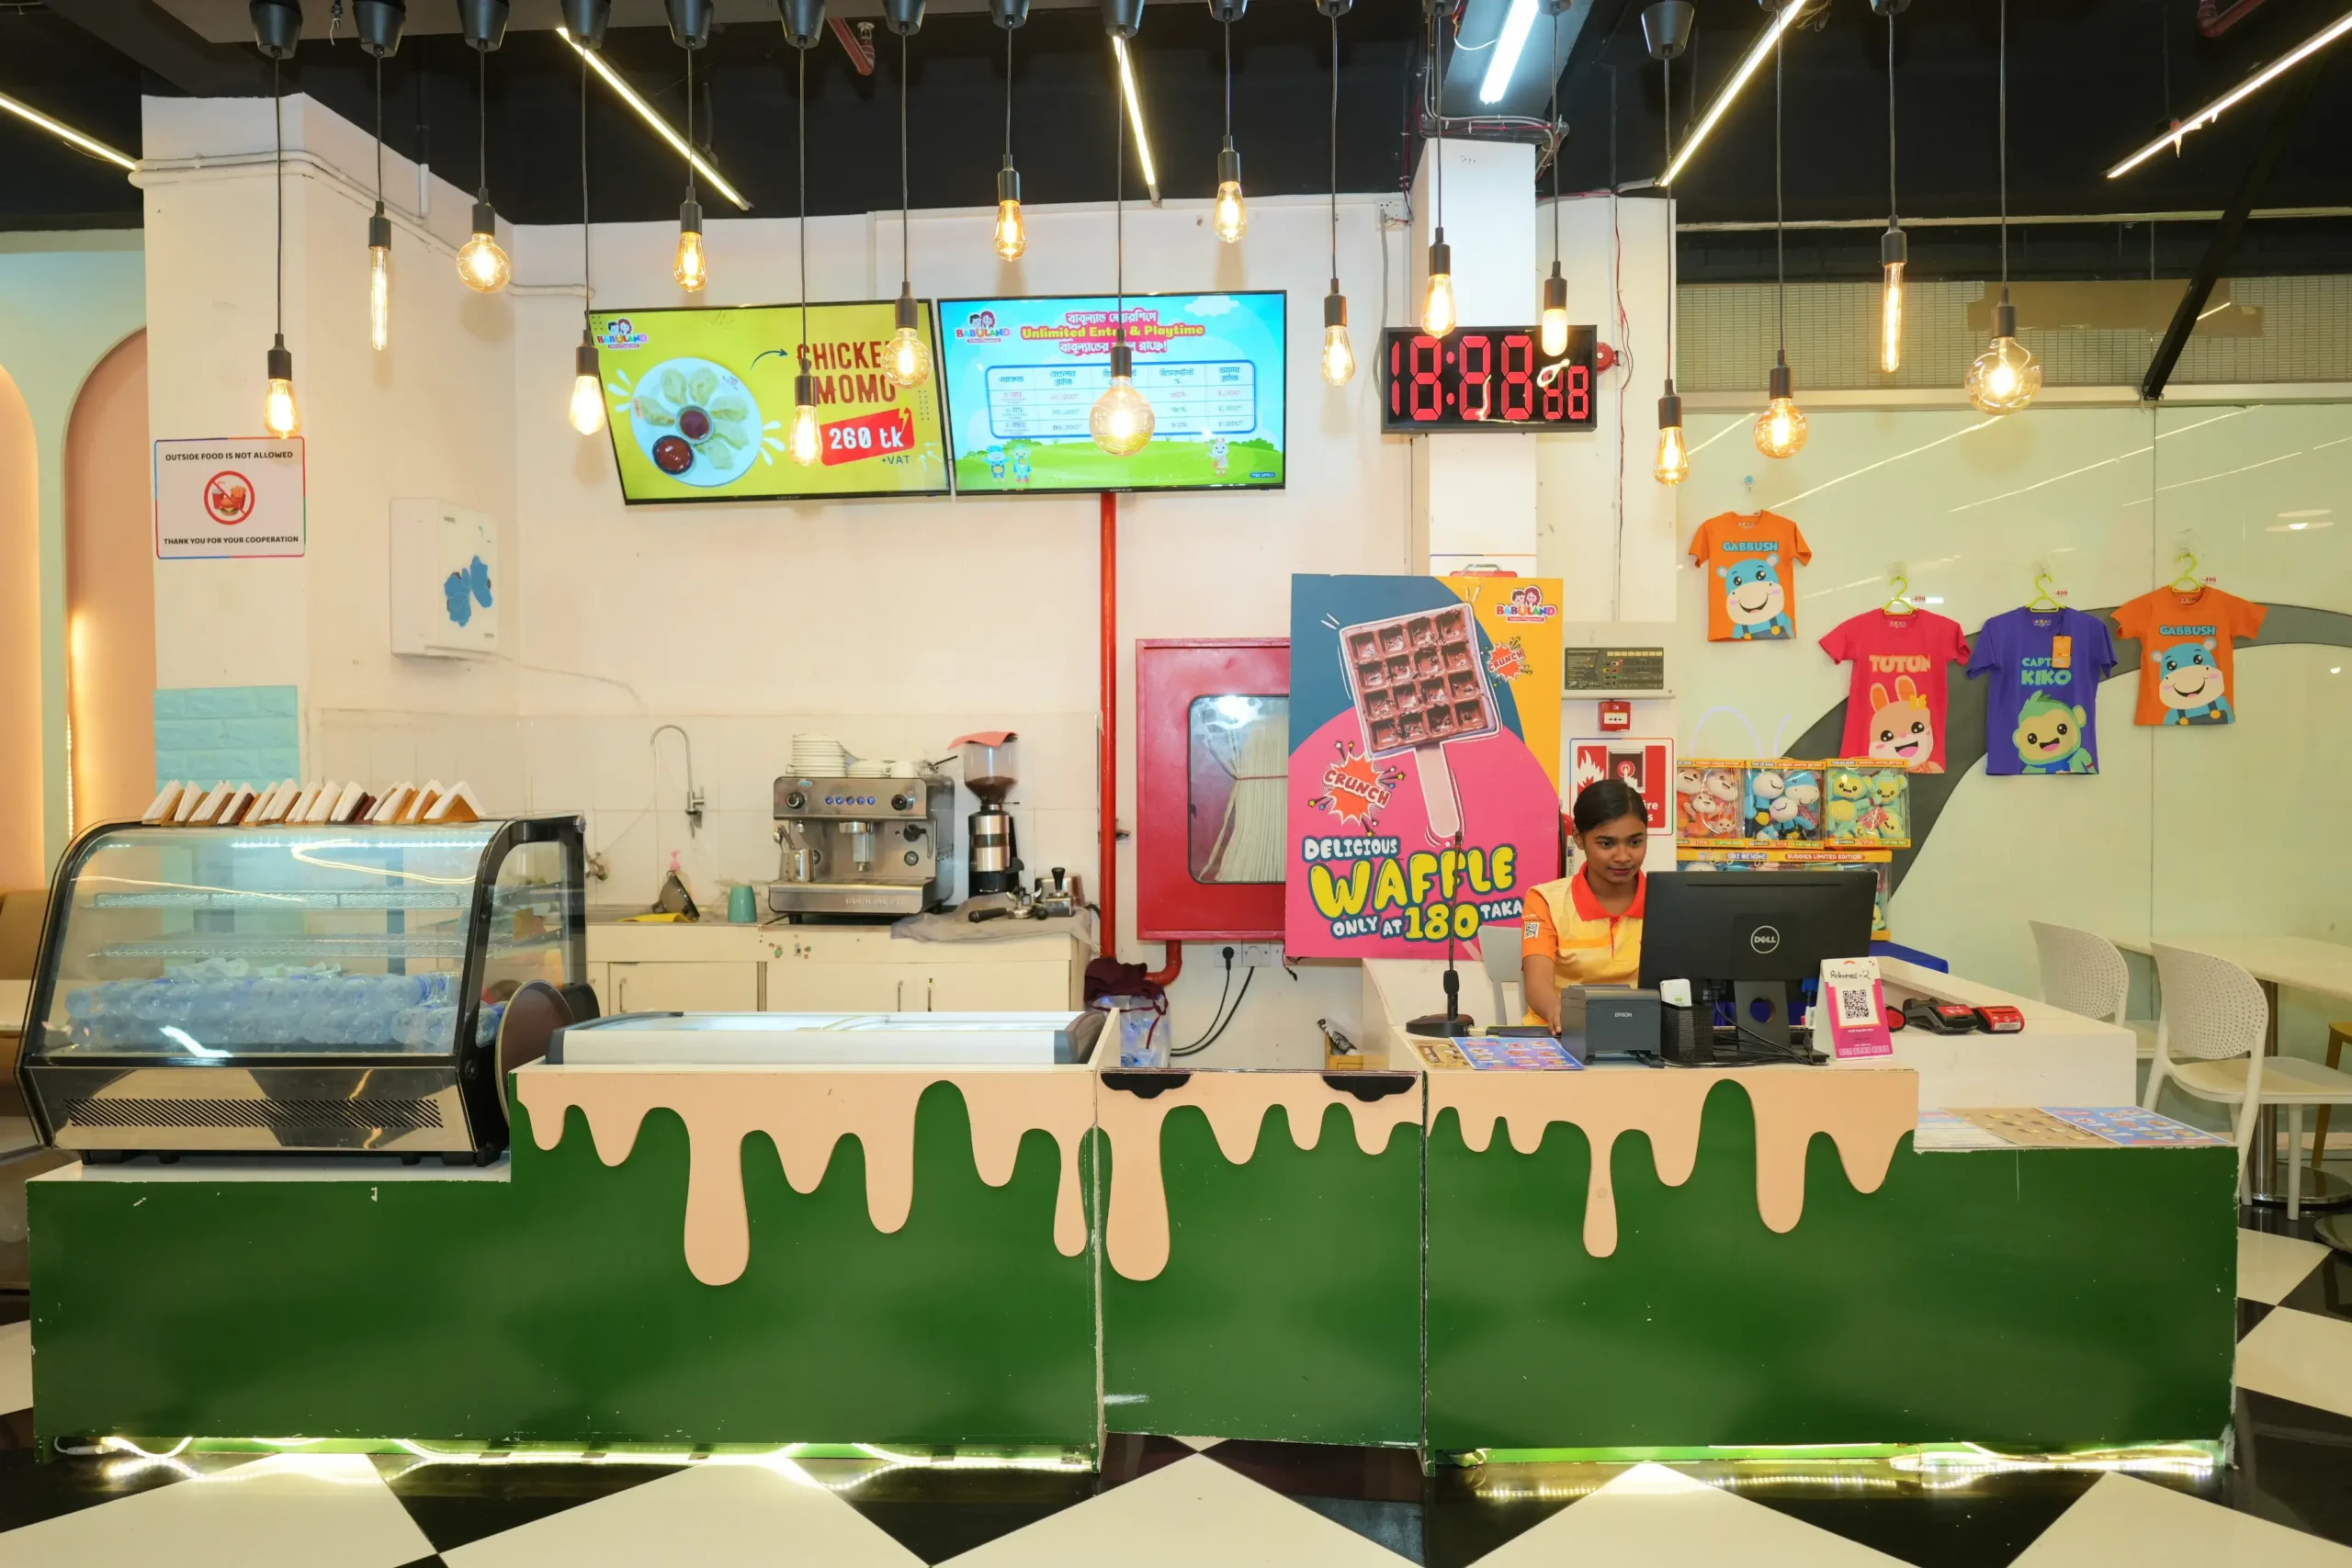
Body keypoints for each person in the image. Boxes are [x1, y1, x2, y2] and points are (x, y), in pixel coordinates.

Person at [1520, 778, 1650, 1032]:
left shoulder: (1666, 901)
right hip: (1561, 1036)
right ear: (1579, 839)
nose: (1623, 856)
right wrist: (1562, 1015)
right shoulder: (1545, 900)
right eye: (1607, 843)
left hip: (1642, 1036)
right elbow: (1537, 986)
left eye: (1635, 842)